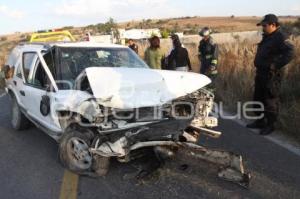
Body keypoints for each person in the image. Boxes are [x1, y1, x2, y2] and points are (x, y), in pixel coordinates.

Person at [246, 14, 294, 135]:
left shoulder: (280, 37)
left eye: (265, 25)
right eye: (262, 25)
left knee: (270, 101)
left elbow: (290, 52)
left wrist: (275, 65)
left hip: (272, 75)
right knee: (258, 98)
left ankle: (270, 125)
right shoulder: (268, 36)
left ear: (273, 25)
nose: (263, 27)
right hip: (261, 73)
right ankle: (260, 121)